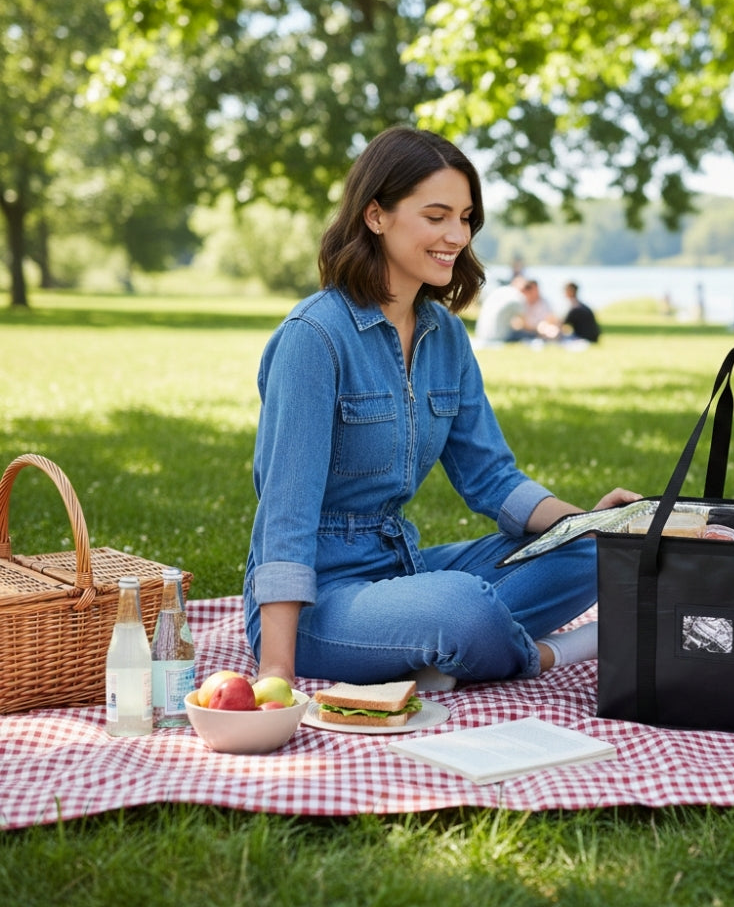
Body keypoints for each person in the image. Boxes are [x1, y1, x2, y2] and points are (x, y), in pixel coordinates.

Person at [243, 126, 640, 693]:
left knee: (599, 553)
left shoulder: (446, 335)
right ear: (375, 216)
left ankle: (445, 652)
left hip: (404, 571)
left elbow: (492, 477)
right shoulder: (314, 337)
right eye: (436, 216)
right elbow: (285, 516)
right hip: (319, 604)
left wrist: (592, 525)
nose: (456, 235)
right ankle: (542, 655)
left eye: (466, 218)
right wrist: (276, 673)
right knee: (459, 606)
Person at [474, 277, 527, 343]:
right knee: (527, 335)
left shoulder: (500, 290)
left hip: (481, 333)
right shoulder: (518, 297)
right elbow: (524, 324)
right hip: (499, 336)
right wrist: (536, 329)